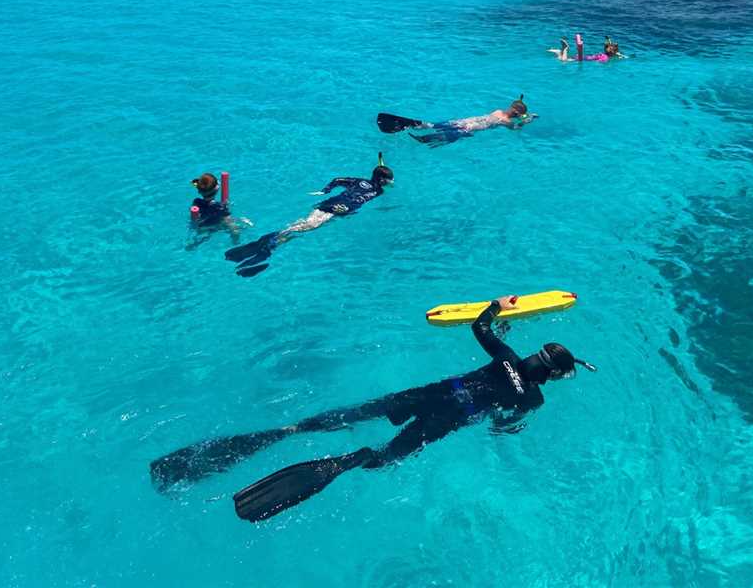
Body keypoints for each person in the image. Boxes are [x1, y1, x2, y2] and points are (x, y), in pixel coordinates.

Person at [222, 296, 598, 521]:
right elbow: (502, 427)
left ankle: (293, 430)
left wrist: (497, 307)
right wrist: (502, 418)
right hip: (447, 419)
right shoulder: (533, 399)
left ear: (536, 356)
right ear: (552, 375)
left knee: (363, 412)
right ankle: (353, 459)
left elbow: (480, 327)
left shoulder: (505, 357)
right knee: (387, 455)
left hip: (430, 395)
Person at [223, 153, 394, 277]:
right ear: (381, 181)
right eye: (388, 180)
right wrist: (348, 212)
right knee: (306, 227)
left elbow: (338, 180)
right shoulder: (378, 191)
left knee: (304, 225)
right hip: (339, 208)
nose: (390, 182)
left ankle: (274, 239)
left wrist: (325, 190)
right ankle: (271, 242)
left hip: (329, 202)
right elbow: (361, 199)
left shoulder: (358, 180)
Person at [406, 95, 538, 147]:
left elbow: (516, 108)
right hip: (471, 128)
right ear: (516, 113)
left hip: (466, 121)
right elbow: (516, 128)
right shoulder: (506, 122)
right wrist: (526, 121)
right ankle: (424, 139)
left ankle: (417, 125)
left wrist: (522, 113)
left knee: (435, 125)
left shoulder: (497, 111)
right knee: (451, 137)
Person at [187, 173, 250, 247]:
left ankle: (195, 244)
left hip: (201, 227)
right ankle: (236, 242)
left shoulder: (196, 202)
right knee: (236, 226)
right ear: (217, 189)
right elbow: (228, 220)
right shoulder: (220, 207)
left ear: (199, 191)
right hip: (215, 226)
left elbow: (194, 183)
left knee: (205, 236)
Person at [548, 35, 625, 62]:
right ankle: (565, 48)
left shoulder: (604, 53)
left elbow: (609, 45)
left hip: (583, 56)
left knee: (562, 58)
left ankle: (558, 52)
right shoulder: (605, 58)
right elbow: (598, 63)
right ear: (614, 53)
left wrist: (608, 39)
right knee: (564, 61)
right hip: (583, 59)